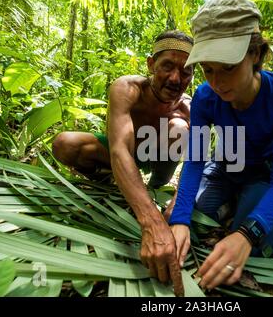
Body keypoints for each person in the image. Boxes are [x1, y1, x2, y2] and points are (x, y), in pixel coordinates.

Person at [166, 0, 273, 291]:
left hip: (263, 176)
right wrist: (180, 218)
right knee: (190, 221)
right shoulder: (207, 97)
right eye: (208, 69)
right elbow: (195, 159)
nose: (216, 82)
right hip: (222, 169)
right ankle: (228, 205)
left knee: (251, 248)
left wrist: (246, 234)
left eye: (228, 67)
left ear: (255, 53)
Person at [52, 30, 194, 296]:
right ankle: (113, 182)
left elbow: (195, 164)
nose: (176, 78)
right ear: (151, 64)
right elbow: (119, 150)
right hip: (124, 153)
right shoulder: (127, 89)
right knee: (65, 144)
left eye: (186, 71)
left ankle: (156, 186)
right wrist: (152, 223)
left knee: (179, 128)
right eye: (167, 66)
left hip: (158, 158)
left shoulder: (188, 107)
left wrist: (177, 207)